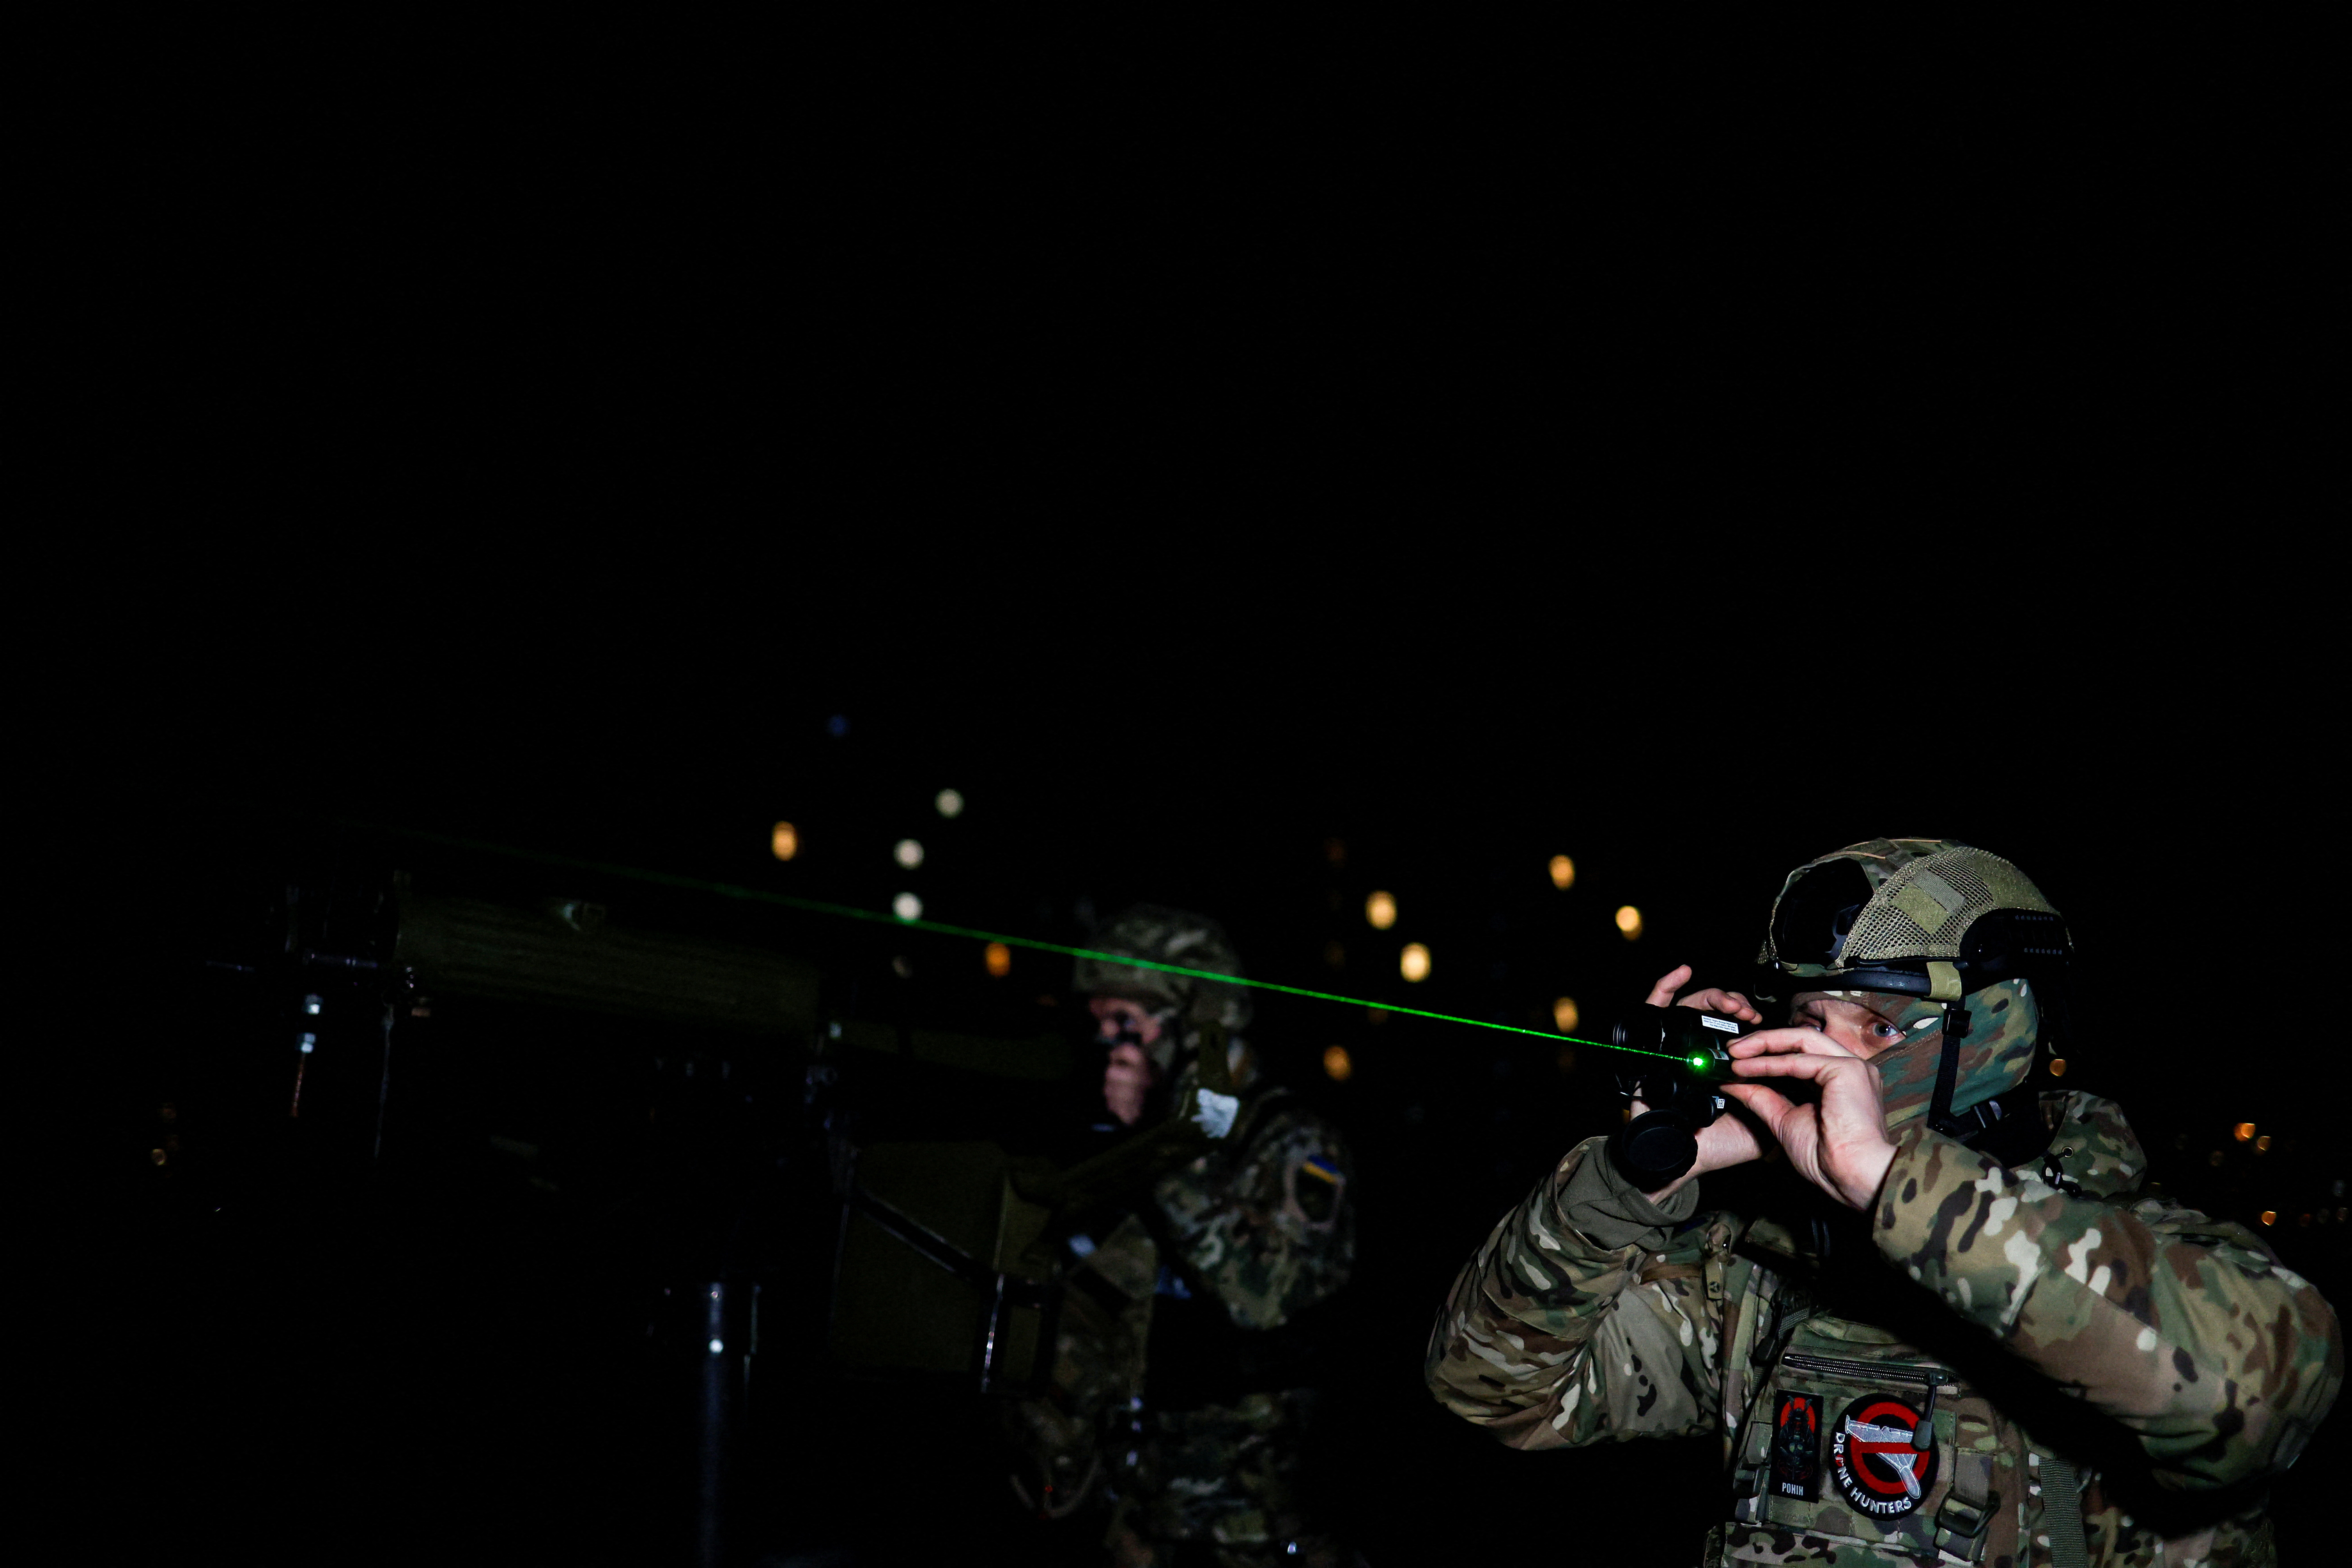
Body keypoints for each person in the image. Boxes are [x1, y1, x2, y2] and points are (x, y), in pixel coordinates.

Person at [1425, 838, 2342, 1566]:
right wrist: (1634, 1179)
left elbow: (2251, 1403)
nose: (1829, 1056)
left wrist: (1893, 1183)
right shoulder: (1767, 1271)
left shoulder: (2143, 1252)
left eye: (1874, 1025)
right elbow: (1492, 1388)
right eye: (1809, 1020)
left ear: (1992, 1028)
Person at [1005, 904, 1357, 1567]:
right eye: (1100, 1025)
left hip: (1248, 1530)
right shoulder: (1132, 1139)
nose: (1109, 1044)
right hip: (1142, 1521)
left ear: (1197, 1023)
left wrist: (1158, 1144)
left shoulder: (1290, 1142)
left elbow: (1261, 1298)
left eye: (1126, 1024)